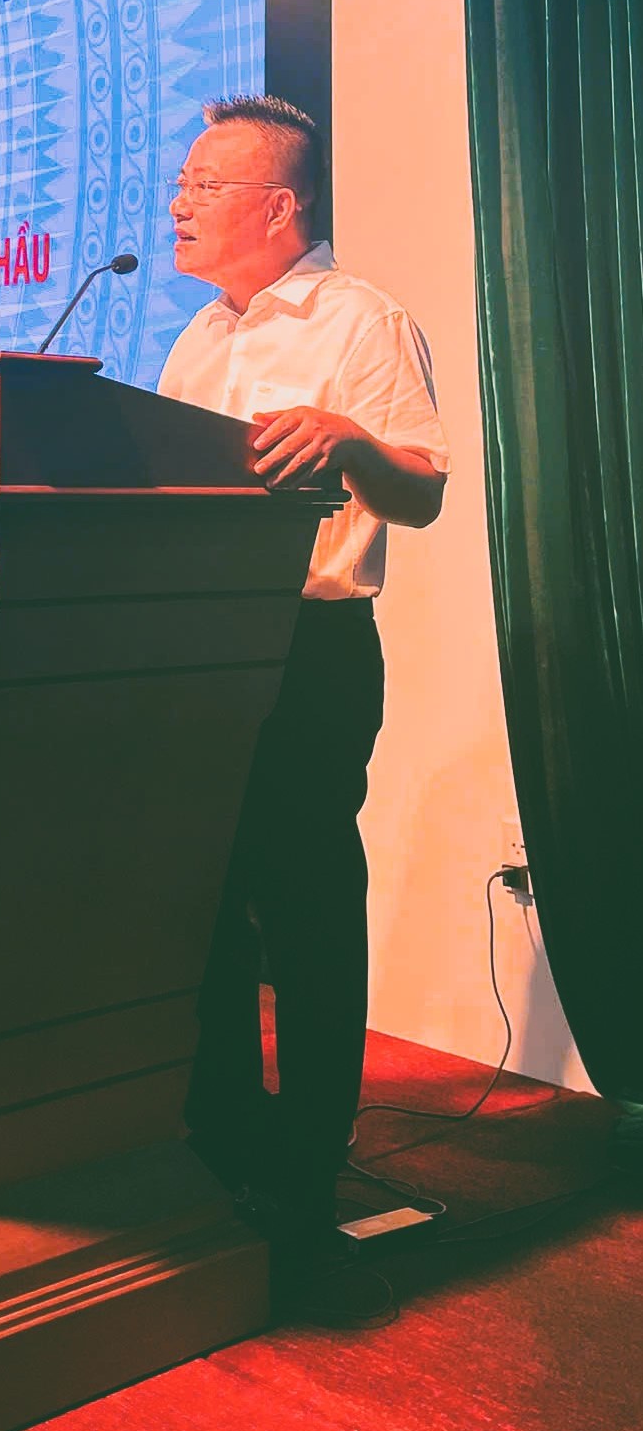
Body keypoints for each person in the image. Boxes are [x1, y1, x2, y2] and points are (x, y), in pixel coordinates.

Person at [157, 94, 448, 1269]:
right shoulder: (198, 338)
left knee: (305, 910)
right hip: (193, 650)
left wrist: (348, 440)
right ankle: (223, 1135)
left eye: (203, 185)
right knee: (203, 906)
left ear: (278, 206)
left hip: (306, 652)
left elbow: (422, 494)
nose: (178, 203)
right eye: (180, 183)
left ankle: (304, 1166)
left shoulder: (359, 319)